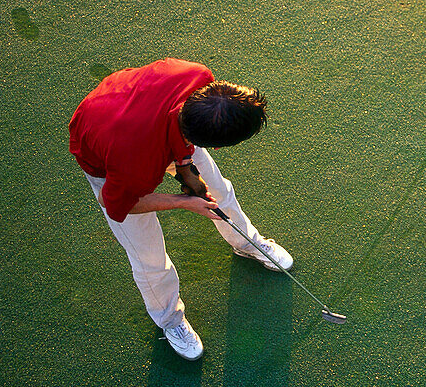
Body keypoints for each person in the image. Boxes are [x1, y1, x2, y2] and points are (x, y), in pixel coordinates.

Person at [69, 58, 293, 360]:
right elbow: (116, 205)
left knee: (219, 190)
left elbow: (176, 121)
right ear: (214, 144)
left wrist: (186, 167)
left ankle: (246, 243)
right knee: (149, 257)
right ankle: (169, 320)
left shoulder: (197, 78)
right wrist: (184, 202)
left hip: (136, 114)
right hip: (107, 152)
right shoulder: (136, 164)